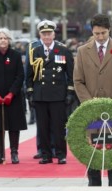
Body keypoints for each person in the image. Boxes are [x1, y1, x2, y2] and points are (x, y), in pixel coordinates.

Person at [73, 13, 112, 186]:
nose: (100, 37)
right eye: (97, 33)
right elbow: (78, 81)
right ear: (92, 31)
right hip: (91, 112)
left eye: (103, 33)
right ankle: (94, 186)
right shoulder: (83, 51)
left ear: (109, 30)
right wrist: (90, 104)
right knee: (93, 155)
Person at [26, 20, 75, 164]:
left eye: (49, 34)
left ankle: (60, 154)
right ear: (40, 35)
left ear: (54, 34)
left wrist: (70, 92)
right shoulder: (34, 51)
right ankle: (46, 154)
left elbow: (71, 74)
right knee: (43, 127)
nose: (46, 37)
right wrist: (29, 93)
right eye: (43, 34)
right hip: (40, 94)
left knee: (58, 126)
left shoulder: (63, 50)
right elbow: (29, 75)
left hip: (58, 95)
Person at [0, 27, 27, 164]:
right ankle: (0, 154)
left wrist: (11, 93)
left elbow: (20, 76)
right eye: (0, 38)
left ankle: (14, 153)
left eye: (5, 38)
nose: (3, 40)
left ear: (9, 40)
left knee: (14, 126)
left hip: (12, 98)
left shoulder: (16, 55)